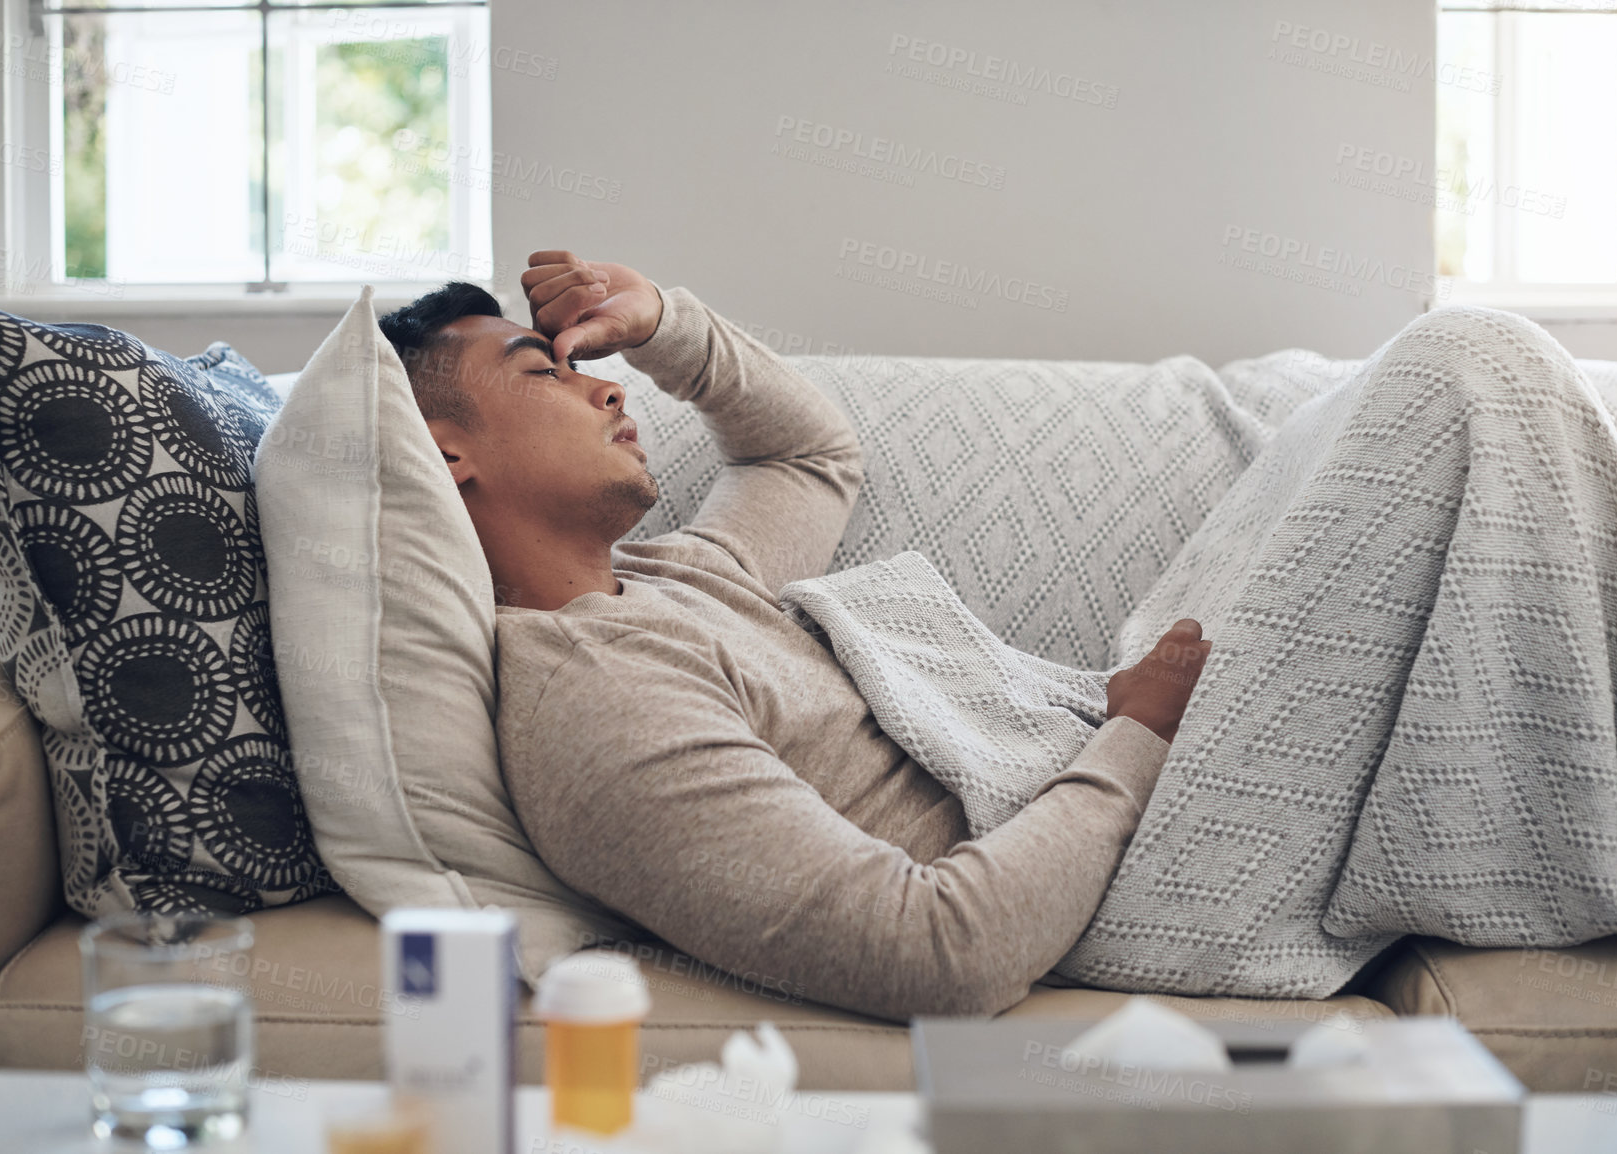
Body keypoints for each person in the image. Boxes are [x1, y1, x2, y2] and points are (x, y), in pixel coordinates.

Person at [377, 251, 1209, 1019]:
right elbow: (940, 955)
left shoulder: (675, 578)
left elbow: (808, 454)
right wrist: (1138, 733)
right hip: (1141, 867)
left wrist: (664, 323)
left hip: (1132, 787)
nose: (609, 390)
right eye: (541, 373)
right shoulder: (598, 696)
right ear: (446, 456)